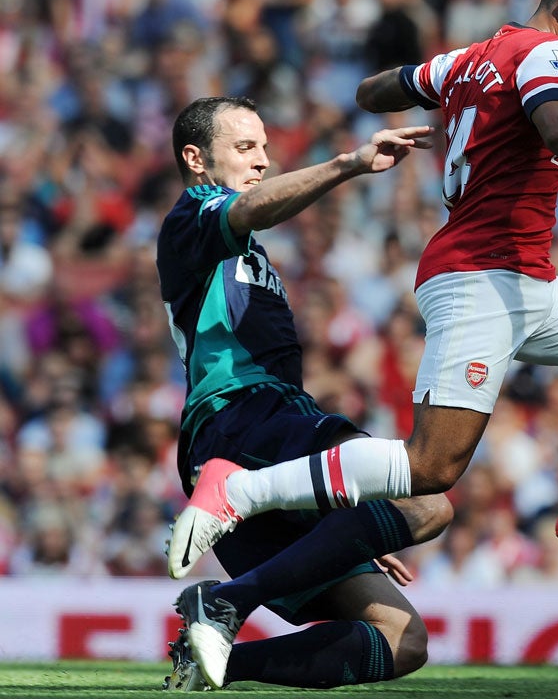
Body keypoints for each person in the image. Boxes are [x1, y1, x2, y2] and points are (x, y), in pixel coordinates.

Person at [167, 0, 558, 605]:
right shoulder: (547, 55)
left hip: (526, 280)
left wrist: (438, 82)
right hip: (480, 276)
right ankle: (243, 491)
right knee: (430, 470)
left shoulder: (467, 60)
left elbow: (372, 92)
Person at [157, 96, 452, 691]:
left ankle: (209, 655)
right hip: (241, 416)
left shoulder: (240, 250)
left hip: (257, 438)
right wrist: (346, 164)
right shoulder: (191, 221)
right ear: (196, 159)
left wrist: (359, 525)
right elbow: (253, 210)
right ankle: (230, 599)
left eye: (265, 147)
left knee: (403, 642)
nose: (262, 160)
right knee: (427, 500)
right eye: (245, 148)